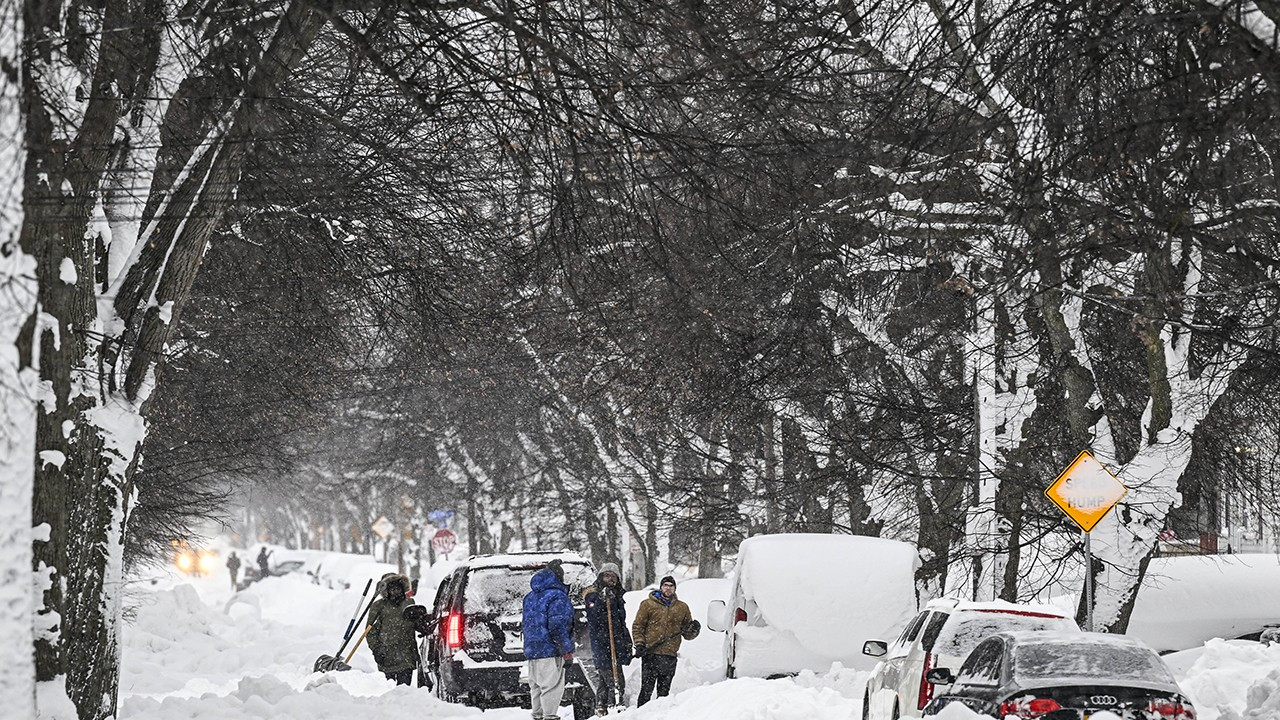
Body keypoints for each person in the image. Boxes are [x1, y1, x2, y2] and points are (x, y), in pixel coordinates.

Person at [631, 576, 700, 707]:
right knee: (646, 690)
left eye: (671, 586)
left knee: (664, 694)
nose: (668, 588)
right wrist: (639, 643)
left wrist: (694, 630)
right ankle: (639, 716)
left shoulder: (682, 608)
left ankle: (660, 716)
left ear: (675, 589)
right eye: (665, 585)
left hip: (669, 656)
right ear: (661, 587)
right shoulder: (647, 604)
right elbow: (638, 626)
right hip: (650, 654)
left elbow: (687, 634)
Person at [522, 559, 575, 720]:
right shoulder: (557, 597)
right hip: (550, 650)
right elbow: (557, 626)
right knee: (551, 687)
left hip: (533, 651)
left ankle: (537, 716)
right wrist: (566, 650)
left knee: (537, 687)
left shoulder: (530, 597)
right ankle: (550, 717)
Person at [583, 563, 632, 713]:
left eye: (613, 576)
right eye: (607, 575)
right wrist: (601, 601)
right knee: (615, 681)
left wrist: (627, 642)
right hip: (602, 645)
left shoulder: (617, 597)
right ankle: (615, 707)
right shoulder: (593, 596)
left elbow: (621, 623)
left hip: (616, 644)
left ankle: (601, 708)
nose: (610, 579)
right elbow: (594, 618)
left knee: (605, 681)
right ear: (601, 577)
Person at [366, 573, 419, 686]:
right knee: (389, 689)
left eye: (398, 589)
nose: (395, 592)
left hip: (406, 655)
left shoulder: (409, 603)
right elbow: (371, 631)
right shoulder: (379, 606)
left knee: (404, 688)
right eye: (392, 589)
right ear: (386, 591)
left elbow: (416, 624)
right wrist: (376, 649)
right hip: (387, 655)